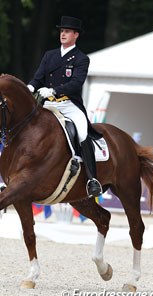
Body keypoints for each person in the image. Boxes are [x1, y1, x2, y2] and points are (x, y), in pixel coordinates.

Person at [27, 16, 102, 198]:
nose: (63, 34)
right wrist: (29, 87)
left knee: (83, 132)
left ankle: (92, 179)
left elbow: (76, 83)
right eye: (61, 31)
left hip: (68, 104)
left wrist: (53, 90)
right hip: (48, 104)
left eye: (67, 31)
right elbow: (38, 78)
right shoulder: (49, 55)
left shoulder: (81, 58)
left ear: (75, 35)